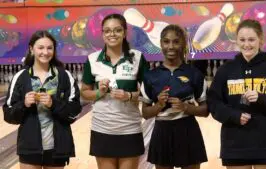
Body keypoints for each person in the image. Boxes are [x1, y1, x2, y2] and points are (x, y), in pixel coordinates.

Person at [207, 19, 266, 169]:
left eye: (251, 39)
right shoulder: (226, 70)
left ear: (260, 40)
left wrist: (262, 98)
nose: (246, 44)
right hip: (235, 144)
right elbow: (214, 103)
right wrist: (233, 115)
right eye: (242, 40)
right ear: (236, 41)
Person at [2, 30, 82, 169]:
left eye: (49, 48)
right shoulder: (21, 77)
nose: (45, 52)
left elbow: (74, 112)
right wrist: (24, 104)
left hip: (57, 149)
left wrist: (53, 104)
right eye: (41, 47)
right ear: (31, 49)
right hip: (30, 146)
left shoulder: (64, 76)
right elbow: (9, 115)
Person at [80, 13, 149, 169]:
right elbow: (84, 92)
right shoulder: (92, 59)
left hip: (130, 128)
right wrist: (99, 92)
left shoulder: (138, 58)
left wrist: (129, 95)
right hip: (102, 128)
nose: (112, 34)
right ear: (103, 34)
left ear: (124, 33)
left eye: (117, 30)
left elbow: (148, 93)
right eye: (108, 31)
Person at [140, 24, 209, 169]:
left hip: (188, 129)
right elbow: (145, 113)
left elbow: (205, 110)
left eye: (176, 41)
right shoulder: (151, 76)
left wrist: (186, 107)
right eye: (166, 41)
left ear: (183, 44)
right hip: (162, 131)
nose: (171, 46)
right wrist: (158, 105)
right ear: (161, 44)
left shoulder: (194, 74)